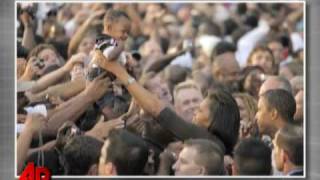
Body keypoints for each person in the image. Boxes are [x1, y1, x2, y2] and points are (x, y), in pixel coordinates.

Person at [93, 53, 240, 155]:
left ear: (214, 119)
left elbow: (156, 108)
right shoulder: (217, 143)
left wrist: (118, 71)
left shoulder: (207, 139)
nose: (195, 111)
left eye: (200, 110)